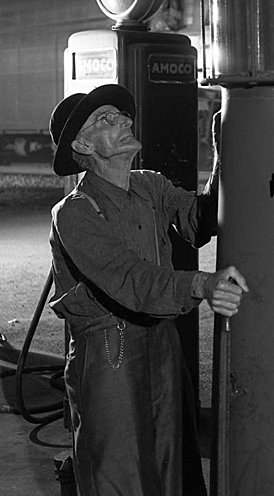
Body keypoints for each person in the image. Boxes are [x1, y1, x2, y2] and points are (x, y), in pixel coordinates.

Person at [47, 83, 249, 496]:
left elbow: (198, 221)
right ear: (83, 145)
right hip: (109, 352)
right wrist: (201, 284)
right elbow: (129, 279)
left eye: (122, 116)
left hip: (161, 342)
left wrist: (223, 155)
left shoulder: (150, 185)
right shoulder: (74, 213)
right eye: (106, 119)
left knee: (171, 459)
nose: (123, 122)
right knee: (121, 472)